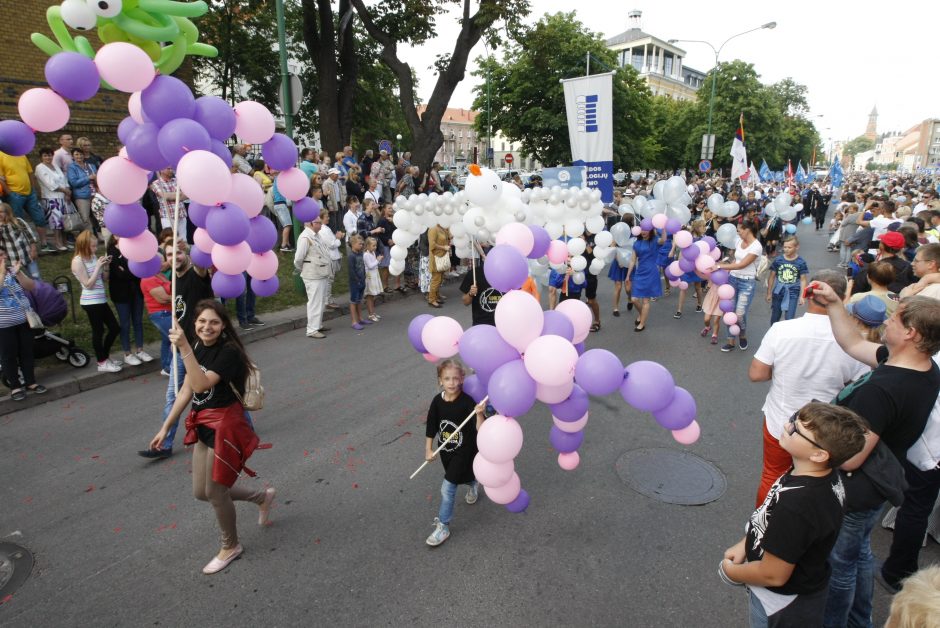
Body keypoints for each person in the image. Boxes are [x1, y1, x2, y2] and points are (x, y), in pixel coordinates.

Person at [806, 282, 940, 628]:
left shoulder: (884, 389)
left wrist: (811, 445)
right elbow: (852, 343)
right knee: (859, 554)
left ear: (910, 332)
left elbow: (851, 457)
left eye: (895, 319)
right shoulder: (920, 367)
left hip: (857, 490)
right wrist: (835, 303)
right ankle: (860, 618)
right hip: (882, 482)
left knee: (838, 566)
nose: (887, 323)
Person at [148, 300, 275, 575]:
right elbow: (186, 390)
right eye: (202, 321)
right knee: (201, 493)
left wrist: (182, 348)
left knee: (216, 492)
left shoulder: (228, 352)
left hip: (225, 426)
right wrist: (165, 427)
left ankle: (231, 546)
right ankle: (261, 497)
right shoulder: (195, 345)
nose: (207, 327)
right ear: (194, 323)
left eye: (214, 322)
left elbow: (201, 384)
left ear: (224, 325)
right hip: (204, 424)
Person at [720, 403, 868, 627]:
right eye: (793, 419)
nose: (787, 426)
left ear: (819, 454)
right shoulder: (815, 473)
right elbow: (769, 513)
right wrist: (745, 543)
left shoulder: (798, 505)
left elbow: (773, 575)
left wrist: (733, 572)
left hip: (778, 604)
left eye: (796, 430)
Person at [749, 269, 870, 505]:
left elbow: (757, 374)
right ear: (842, 298)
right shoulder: (858, 341)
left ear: (807, 293)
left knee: (773, 475)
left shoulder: (782, 330)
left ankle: (763, 526)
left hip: (781, 422)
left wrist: (784, 369)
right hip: (827, 431)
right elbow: (858, 385)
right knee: (816, 483)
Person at [139, 238, 213, 459]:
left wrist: (192, 245)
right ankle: (165, 443)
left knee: (220, 389)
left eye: (179, 253)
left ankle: (241, 425)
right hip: (181, 348)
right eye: (170, 255)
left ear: (187, 255)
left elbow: (201, 262)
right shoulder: (173, 282)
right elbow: (178, 312)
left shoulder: (197, 273)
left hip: (203, 346)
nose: (175, 258)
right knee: (174, 394)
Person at [423, 358, 487, 546]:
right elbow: (432, 427)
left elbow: (480, 429)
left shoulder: (467, 401)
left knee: (448, 487)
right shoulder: (437, 401)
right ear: (440, 381)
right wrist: (428, 449)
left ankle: (443, 526)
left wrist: (479, 413)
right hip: (447, 451)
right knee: (459, 477)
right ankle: (473, 482)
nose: (451, 383)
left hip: (465, 450)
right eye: (447, 379)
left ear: (462, 379)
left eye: (455, 378)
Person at [70, 230, 121, 372]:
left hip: (100, 298)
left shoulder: (92, 257)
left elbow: (104, 279)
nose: (95, 249)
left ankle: (105, 356)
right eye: (92, 246)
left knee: (115, 328)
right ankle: (102, 361)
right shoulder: (77, 261)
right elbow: (88, 284)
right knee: (98, 331)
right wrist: (98, 267)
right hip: (90, 302)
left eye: (95, 246)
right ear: (83, 245)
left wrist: (105, 266)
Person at [0, 249, 45, 401]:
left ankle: (31, 382)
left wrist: (18, 273)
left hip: (24, 319)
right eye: (0, 255)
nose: (4, 257)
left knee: (27, 351)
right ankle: (15, 386)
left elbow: (31, 286)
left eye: (4, 254)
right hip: (4, 324)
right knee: (9, 355)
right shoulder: (2, 273)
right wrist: (1, 273)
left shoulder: (12, 271)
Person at [716, 219, 763, 351]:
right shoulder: (738, 241)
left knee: (740, 314)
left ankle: (742, 335)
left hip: (747, 282)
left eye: (739, 230)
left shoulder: (756, 246)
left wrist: (720, 266)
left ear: (747, 230)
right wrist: (724, 261)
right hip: (733, 279)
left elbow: (743, 264)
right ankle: (730, 341)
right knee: (730, 311)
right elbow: (736, 259)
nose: (738, 232)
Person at [107, 235, 153, 367]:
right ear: (115, 236)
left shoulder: (134, 249)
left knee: (138, 321)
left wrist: (128, 271)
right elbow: (120, 274)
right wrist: (131, 272)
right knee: (125, 323)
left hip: (136, 291)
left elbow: (140, 271)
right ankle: (127, 353)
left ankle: (140, 350)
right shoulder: (112, 251)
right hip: (121, 294)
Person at [1, 150, 51, 249]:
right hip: (15, 195)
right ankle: (23, 246)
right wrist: (10, 194)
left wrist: (32, 189)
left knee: (40, 218)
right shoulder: (1, 156)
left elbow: (30, 173)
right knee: (17, 221)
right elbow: (1, 179)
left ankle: (44, 244)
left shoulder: (21, 154)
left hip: (30, 194)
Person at [294, 216, 333, 339]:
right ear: (311, 223)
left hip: (320, 272)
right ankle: (311, 329)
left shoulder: (316, 235)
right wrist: (304, 268)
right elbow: (298, 258)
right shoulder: (305, 237)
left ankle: (317, 325)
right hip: (312, 274)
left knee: (320, 301)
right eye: (318, 223)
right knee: (315, 302)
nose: (321, 225)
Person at [626, 226, 666, 332]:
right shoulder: (637, 243)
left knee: (645, 300)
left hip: (651, 272)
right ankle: (641, 313)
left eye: (646, 230)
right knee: (634, 299)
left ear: (650, 231)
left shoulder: (654, 241)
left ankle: (642, 324)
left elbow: (663, 240)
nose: (644, 232)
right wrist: (628, 274)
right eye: (642, 229)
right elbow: (632, 260)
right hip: (640, 272)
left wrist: (664, 228)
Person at [139, 264, 174, 375]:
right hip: (161, 313)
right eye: (158, 261)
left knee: (167, 340)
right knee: (176, 339)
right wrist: (180, 296)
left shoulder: (159, 275)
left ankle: (166, 367)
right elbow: (163, 299)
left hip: (167, 312)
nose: (162, 263)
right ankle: (168, 368)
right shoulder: (149, 278)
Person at [33, 147, 70, 251]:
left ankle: (64, 242)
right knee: (56, 222)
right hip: (51, 198)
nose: (48, 157)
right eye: (45, 155)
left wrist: (67, 192)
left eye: (50, 155)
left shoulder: (55, 166)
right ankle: (57, 243)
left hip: (62, 197)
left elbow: (64, 179)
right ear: (41, 157)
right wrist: (65, 191)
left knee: (63, 221)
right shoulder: (40, 168)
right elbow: (50, 184)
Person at [767, 237, 809, 324]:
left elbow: (803, 280)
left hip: (793, 292)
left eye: (789, 247)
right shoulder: (778, 260)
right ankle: (773, 334)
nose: (786, 249)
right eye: (785, 247)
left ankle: (786, 336)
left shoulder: (801, 262)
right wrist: (769, 292)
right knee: (775, 316)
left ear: (797, 247)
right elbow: (771, 276)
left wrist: (802, 296)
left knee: (789, 318)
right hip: (778, 291)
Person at [460, 249, 503, 326]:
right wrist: (470, 293)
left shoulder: (507, 273)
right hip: (481, 325)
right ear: (484, 257)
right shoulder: (474, 274)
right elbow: (465, 302)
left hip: (502, 325)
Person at [0, 202, 41, 281]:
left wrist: (33, 249)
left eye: (1, 212)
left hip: (27, 255)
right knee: (20, 279)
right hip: (13, 259)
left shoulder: (18, 221)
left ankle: (40, 291)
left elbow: (30, 236)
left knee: (35, 276)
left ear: (7, 212)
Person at [149, 167, 188, 236]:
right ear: (161, 170)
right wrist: (180, 194)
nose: (171, 170)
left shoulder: (177, 181)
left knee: (183, 240)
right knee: (171, 240)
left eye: (171, 169)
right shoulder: (156, 183)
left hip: (181, 215)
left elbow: (187, 195)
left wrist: (172, 196)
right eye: (168, 169)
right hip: (167, 217)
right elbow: (165, 196)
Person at [66, 147, 96, 231]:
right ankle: (89, 238)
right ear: (72, 156)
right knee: (85, 218)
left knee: (97, 217)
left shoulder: (91, 165)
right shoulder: (72, 167)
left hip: (95, 194)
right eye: (76, 154)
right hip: (82, 196)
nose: (79, 156)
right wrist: (88, 178)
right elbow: (74, 183)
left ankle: (97, 235)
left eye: (81, 154)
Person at [347, 234, 368, 330]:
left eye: (362, 244)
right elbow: (351, 271)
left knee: (359, 300)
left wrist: (363, 278)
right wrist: (357, 280)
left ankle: (360, 318)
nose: (362, 245)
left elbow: (362, 267)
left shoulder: (361, 254)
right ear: (353, 244)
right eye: (360, 244)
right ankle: (354, 321)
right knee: (353, 301)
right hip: (355, 283)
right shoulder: (351, 256)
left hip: (362, 280)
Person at [427, 224, 450, 309]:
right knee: (436, 279)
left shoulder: (442, 227)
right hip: (436, 257)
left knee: (440, 279)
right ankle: (431, 299)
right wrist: (443, 247)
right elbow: (432, 244)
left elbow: (449, 237)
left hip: (442, 257)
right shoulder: (433, 228)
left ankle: (436, 297)